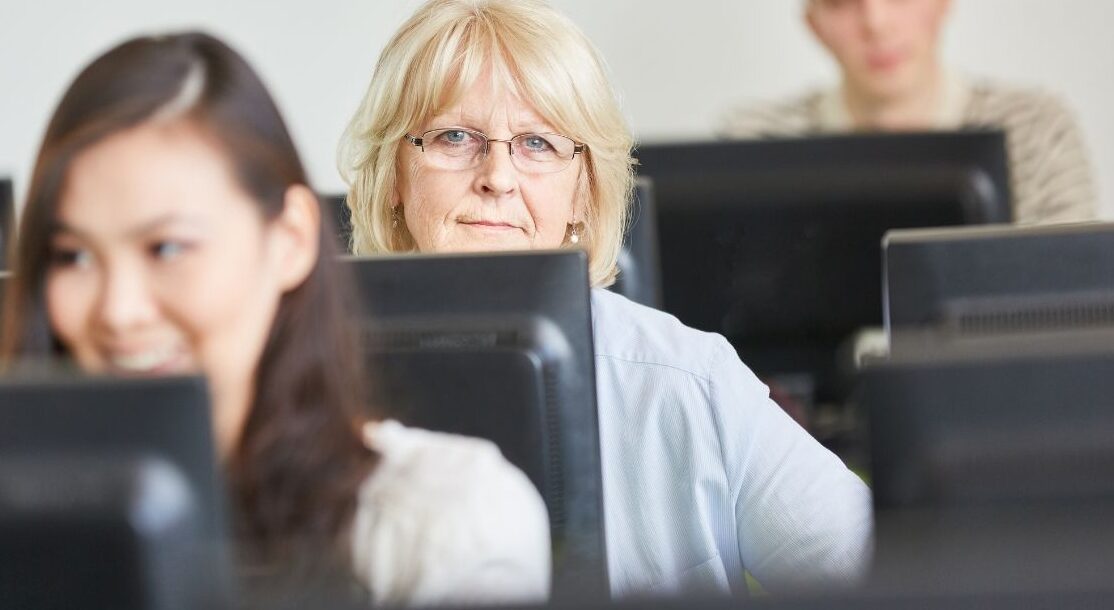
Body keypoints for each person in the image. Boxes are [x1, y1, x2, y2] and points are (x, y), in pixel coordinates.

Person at [340, 0, 873, 597]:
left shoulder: (688, 379)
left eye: (537, 143)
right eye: (454, 136)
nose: (498, 177)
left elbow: (880, 573)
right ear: (394, 174)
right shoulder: (304, 378)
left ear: (583, 193)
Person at [0, 32, 549, 606]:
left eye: (166, 248)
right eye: (74, 257)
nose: (117, 311)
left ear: (289, 241)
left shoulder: (446, 524)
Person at [719, 0, 1098, 225]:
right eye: (840, 1)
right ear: (814, 25)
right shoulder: (753, 141)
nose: (876, 23)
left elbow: (1067, 300)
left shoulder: (1036, 132)